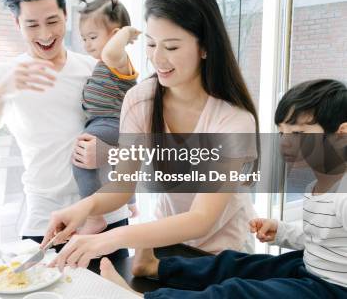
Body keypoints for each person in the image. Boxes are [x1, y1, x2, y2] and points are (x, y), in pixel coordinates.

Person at [42, 0, 259, 273]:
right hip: (167, 249)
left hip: (225, 255)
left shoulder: (233, 121)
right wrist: (82, 208)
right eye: (152, 44)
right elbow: (121, 186)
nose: (157, 58)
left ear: (206, 47)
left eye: (171, 46)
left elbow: (202, 218)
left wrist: (112, 238)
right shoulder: (139, 100)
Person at [98, 78, 347, 298]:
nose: (286, 143)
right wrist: (282, 231)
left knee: (239, 292)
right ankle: (155, 267)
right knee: (238, 265)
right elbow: (323, 242)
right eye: (282, 133)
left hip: (332, 288)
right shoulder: (318, 185)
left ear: (341, 133)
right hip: (307, 266)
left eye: (298, 133)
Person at [0, 0, 129, 261]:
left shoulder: (95, 68)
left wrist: (108, 154)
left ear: (66, 15)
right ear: (17, 24)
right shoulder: (2, 75)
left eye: (52, 21)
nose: (44, 34)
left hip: (106, 213)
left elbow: (135, 135)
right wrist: (3, 91)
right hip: (47, 219)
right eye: (32, 25)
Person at [73, 0, 141, 235]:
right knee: (119, 166)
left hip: (110, 122)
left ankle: (93, 217)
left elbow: (113, 51)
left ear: (114, 36)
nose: (87, 45)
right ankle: (131, 202)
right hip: (109, 124)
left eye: (93, 37)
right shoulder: (105, 63)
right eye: (84, 39)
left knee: (80, 160)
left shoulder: (117, 61)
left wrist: (126, 33)